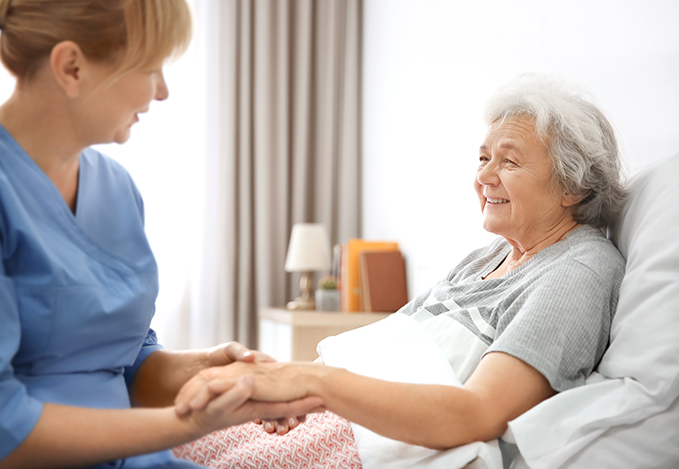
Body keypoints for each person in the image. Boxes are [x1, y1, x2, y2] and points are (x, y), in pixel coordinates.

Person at [0, 0, 321, 468]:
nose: (163, 91)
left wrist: (209, 371)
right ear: (72, 67)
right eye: (150, 68)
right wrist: (192, 422)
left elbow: (118, 363)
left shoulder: (116, 188)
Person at [172, 75, 628, 463]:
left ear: (574, 186)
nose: (484, 176)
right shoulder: (488, 256)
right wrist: (286, 387)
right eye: (483, 157)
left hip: (367, 440)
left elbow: (478, 412)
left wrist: (312, 381)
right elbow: (390, 345)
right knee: (167, 435)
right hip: (333, 413)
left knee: (165, 453)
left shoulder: (579, 270)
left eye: (508, 161)